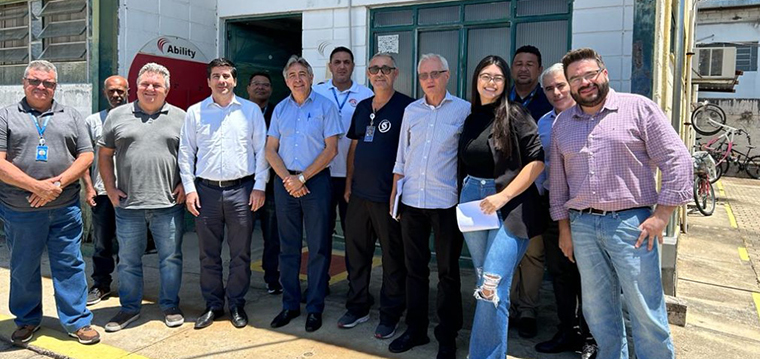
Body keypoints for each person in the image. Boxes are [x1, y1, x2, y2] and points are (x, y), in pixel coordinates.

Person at [550, 48, 692, 359]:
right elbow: (559, 183)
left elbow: (678, 160)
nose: (584, 82)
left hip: (633, 225)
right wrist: (564, 229)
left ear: (604, 74)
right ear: (570, 85)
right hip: (582, 226)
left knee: (644, 309)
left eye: (590, 74)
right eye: (576, 79)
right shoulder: (563, 123)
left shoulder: (639, 108)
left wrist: (663, 215)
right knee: (598, 310)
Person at [0, 60, 99, 344]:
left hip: (65, 207)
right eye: (35, 81)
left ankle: (77, 321)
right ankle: (27, 320)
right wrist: (35, 186)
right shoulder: (6, 116)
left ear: (55, 86)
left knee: (70, 264)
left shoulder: (72, 115)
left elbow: (86, 155)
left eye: (48, 83)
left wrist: (56, 184)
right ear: (24, 82)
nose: (41, 86)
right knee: (23, 266)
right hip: (21, 210)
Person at [458, 55, 546, 359]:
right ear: (476, 80)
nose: (491, 82)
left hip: (510, 207)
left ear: (505, 82)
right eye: (485, 75)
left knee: (490, 285)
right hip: (472, 199)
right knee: (486, 282)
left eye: (497, 77)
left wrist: (502, 197)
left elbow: (536, 162)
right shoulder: (472, 117)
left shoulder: (517, 114)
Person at [388, 54, 470, 359]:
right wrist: (396, 191)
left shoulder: (463, 110)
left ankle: (447, 335)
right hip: (411, 202)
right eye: (424, 75)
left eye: (435, 73)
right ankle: (416, 329)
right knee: (415, 270)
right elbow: (402, 154)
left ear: (447, 75)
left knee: (448, 272)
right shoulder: (412, 110)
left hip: (446, 203)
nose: (430, 79)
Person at [179, 58, 269, 329]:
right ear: (208, 81)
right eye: (216, 76)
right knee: (208, 254)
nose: (222, 81)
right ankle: (213, 305)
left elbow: (262, 151)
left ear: (235, 80)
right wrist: (190, 189)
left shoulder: (251, 111)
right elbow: (186, 153)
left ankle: (237, 303)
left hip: (241, 191)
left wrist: (260, 186)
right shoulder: (195, 112)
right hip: (205, 192)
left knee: (240, 253)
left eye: (227, 76)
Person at [99, 63, 187, 332]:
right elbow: (104, 155)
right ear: (136, 86)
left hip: (168, 205)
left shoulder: (181, 117)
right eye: (145, 84)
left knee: (170, 258)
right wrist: (110, 190)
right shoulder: (117, 116)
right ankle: (129, 308)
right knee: (128, 260)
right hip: (129, 205)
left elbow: (190, 156)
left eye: (156, 85)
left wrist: (185, 183)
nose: (150, 89)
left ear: (167, 89)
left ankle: (170, 304)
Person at [338, 53, 412, 339]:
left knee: (393, 258)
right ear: (368, 74)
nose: (379, 73)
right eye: (374, 69)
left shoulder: (407, 107)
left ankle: (391, 314)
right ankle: (358, 306)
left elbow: (411, 152)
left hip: (388, 197)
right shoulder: (362, 107)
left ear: (395, 73)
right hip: (358, 194)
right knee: (356, 254)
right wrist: (348, 184)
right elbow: (354, 148)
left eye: (385, 69)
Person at [266, 55, 342, 333]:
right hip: (286, 183)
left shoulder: (325, 106)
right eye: (292, 75)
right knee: (288, 246)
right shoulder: (280, 110)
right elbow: (270, 149)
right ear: (286, 81)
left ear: (311, 77)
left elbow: (331, 149)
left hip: (315, 182)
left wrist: (302, 178)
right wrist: (288, 178)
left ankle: (315, 307)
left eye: (302, 74)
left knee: (319, 247)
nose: (297, 79)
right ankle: (290, 304)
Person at [533, 63, 598, 359]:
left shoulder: (590, 116)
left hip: (586, 211)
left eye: (560, 85)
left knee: (589, 276)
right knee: (560, 273)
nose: (556, 92)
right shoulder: (543, 122)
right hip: (552, 208)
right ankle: (566, 330)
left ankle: (591, 336)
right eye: (549, 88)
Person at [508, 44, 553, 338]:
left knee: (533, 254)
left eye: (530, 64)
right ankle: (508, 305)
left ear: (538, 69)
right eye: (519, 63)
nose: (523, 68)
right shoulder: (501, 98)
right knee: (506, 251)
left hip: (536, 191)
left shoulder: (548, 103)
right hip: (502, 190)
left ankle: (527, 308)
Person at [313, 46, 373, 238]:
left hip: (353, 176)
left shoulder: (366, 95)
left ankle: (353, 269)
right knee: (321, 230)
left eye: (346, 62)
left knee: (354, 232)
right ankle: (323, 269)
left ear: (353, 66)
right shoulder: (316, 92)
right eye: (337, 62)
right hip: (322, 173)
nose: (342, 66)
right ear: (330, 66)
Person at [82, 75, 129, 306]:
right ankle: (101, 284)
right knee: (102, 243)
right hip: (102, 193)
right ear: (104, 93)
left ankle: (130, 286)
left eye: (120, 91)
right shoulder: (93, 121)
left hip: (132, 194)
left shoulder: (136, 118)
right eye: (111, 91)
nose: (116, 95)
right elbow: (83, 157)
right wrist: (89, 188)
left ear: (128, 91)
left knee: (130, 243)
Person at [247, 71, 282, 295]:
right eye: (257, 84)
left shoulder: (278, 112)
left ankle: (272, 278)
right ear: (248, 87)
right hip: (244, 184)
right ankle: (240, 279)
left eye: (266, 85)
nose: (261, 88)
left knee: (273, 237)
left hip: (271, 185)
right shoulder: (239, 111)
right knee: (241, 237)